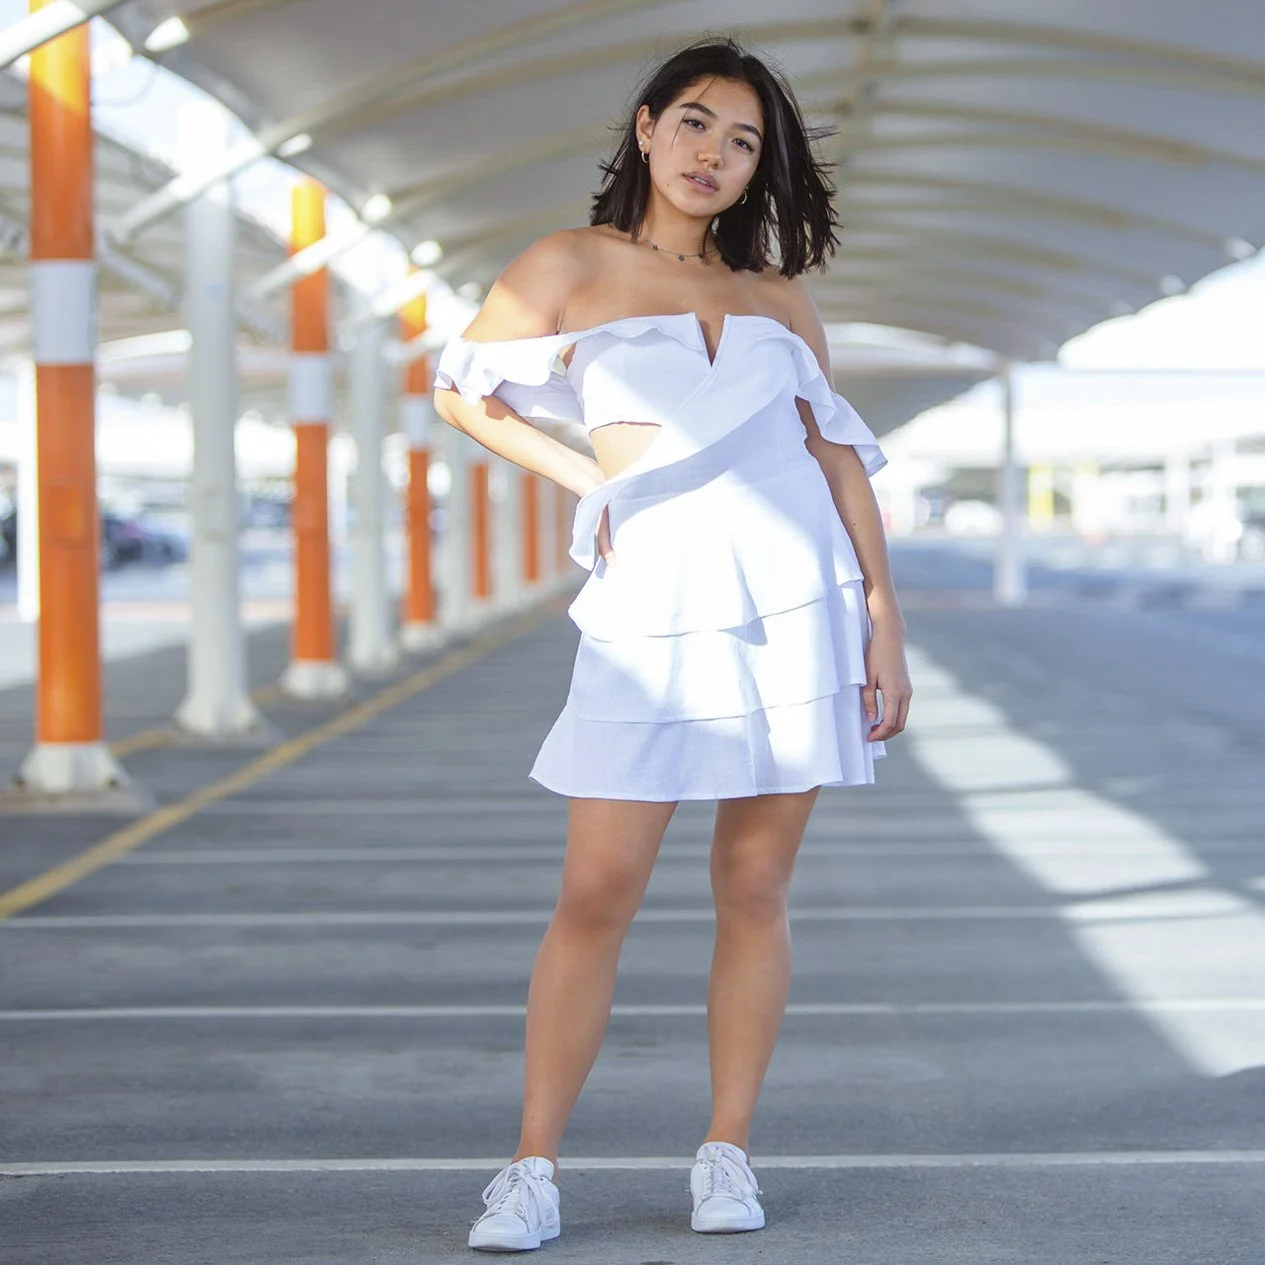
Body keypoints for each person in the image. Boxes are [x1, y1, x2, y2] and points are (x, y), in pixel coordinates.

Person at [433, 37, 912, 1253]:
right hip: (650, 606)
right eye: (696, 124)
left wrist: (879, 615)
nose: (715, 154)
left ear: (762, 169)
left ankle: (726, 1150)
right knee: (595, 888)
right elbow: (460, 392)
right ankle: (531, 1167)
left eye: (743, 141)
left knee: (753, 884)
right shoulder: (569, 264)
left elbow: (836, 459)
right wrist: (590, 481)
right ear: (645, 130)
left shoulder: (774, 298)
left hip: (793, 603)